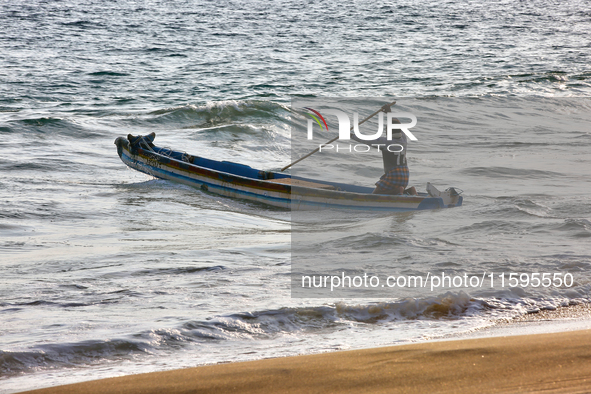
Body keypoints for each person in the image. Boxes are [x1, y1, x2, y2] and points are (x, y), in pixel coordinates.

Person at [350, 105, 417, 196]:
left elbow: (366, 139)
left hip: (394, 174)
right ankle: (410, 191)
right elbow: (398, 124)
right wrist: (389, 113)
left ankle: (397, 191)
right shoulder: (403, 138)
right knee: (388, 191)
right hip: (405, 174)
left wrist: (351, 135)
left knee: (375, 195)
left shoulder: (386, 142)